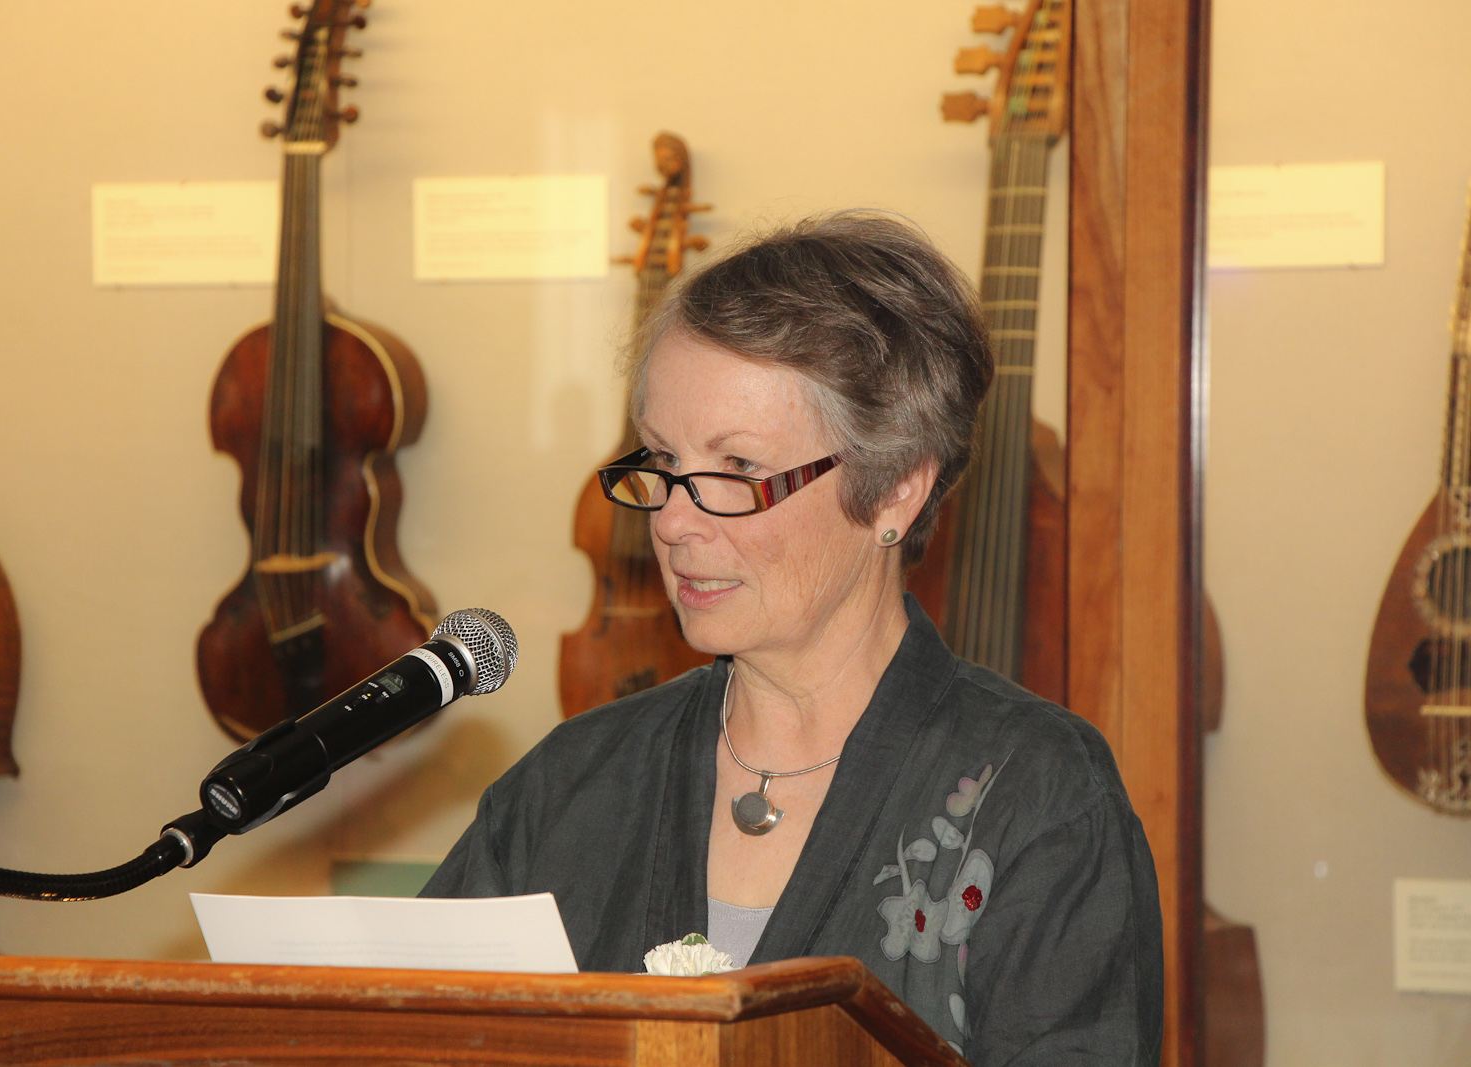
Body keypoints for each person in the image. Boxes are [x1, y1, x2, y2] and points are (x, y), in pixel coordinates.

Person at [422, 212, 1163, 1064]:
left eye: (737, 469)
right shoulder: (572, 782)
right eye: (663, 461)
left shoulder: (1041, 797)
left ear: (894, 490)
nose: (672, 520)